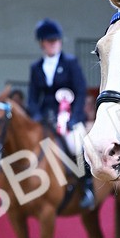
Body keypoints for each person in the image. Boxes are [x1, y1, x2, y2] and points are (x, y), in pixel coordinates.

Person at [27, 17, 94, 211]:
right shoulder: (36, 67)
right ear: (42, 43)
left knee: (77, 145)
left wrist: (74, 118)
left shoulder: (70, 63)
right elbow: (32, 97)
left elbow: (81, 91)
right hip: (45, 119)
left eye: (56, 40)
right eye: (50, 41)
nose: (54, 44)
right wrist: (37, 116)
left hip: (69, 117)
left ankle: (87, 188)